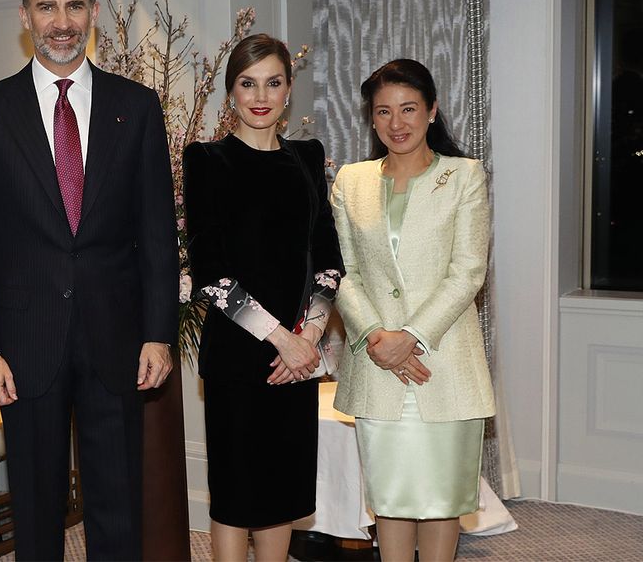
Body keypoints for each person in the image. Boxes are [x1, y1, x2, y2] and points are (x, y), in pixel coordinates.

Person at [0, 0, 179, 559]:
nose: (61, 21)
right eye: (47, 6)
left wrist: (158, 333)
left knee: (118, 508)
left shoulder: (138, 107)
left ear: (93, 12)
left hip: (118, 341)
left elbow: (157, 234)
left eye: (74, 5)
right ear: (25, 16)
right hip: (23, 349)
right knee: (36, 510)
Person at [183, 33, 344, 561]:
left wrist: (311, 336)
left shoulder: (307, 157)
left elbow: (328, 258)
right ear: (230, 92)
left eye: (273, 83)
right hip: (239, 356)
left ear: (288, 90)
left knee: (279, 496)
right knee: (235, 498)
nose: (261, 95)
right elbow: (211, 275)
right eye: (248, 83)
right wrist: (282, 339)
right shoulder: (207, 160)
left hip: (297, 357)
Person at [330, 59, 496, 562]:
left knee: (442, 499)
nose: (396, 123)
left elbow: (468, 270)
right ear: (371, 119)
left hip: (443, 365)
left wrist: (412, 336)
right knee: (391, 499)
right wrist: (379, 338)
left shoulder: (463, 176)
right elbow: (343, 272)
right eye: (383, 112)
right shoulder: (349, 181)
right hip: (376, 363)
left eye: (408, 109)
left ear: (432, 111)